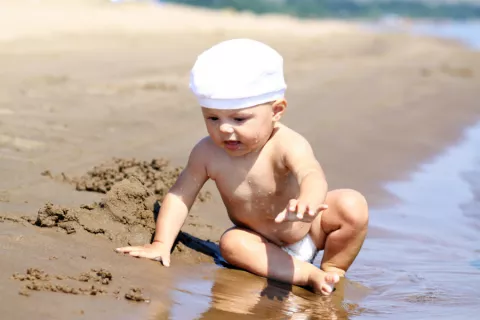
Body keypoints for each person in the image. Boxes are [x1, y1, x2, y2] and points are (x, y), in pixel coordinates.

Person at [116, 39, 369, 295]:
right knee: (231, 243)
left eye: (239, 119)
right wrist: (160, 243)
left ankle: (334, 267)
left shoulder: (286, 143)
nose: (224, 129)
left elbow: (311, 173)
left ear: (276, 111)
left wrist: (308, 202)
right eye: (213, 118)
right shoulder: (207, 153)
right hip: (259, 243)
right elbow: (181, 195)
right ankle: (309, 275)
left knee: (351, 204)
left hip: (308, 229)